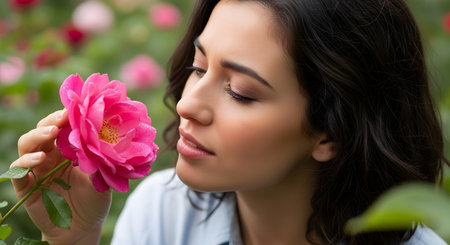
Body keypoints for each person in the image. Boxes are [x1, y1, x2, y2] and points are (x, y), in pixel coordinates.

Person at [11, 0, 449, 244]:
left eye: (240, 91)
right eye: (199, 68)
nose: (187, 105)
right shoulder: (164, 213)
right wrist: (77, 238)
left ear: (330, 130)